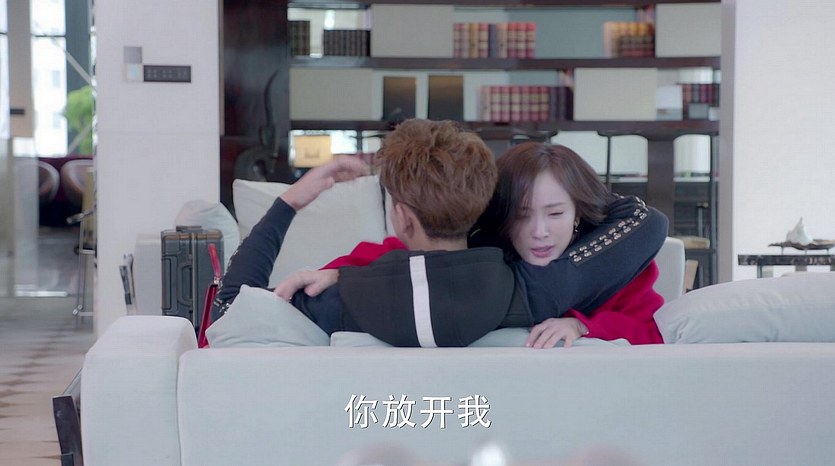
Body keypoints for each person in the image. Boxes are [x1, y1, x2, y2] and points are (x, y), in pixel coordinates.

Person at [283, 141, 668, 348]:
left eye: (555, 213)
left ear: (578, 214)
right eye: (522, 214)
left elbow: (652, 331)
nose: (539, 231)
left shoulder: (616, 261)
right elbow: (400, 255)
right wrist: (337, 273)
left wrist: (583, 325)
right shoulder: (483, 249)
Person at [213, 119, 530, 347]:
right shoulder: (531, 294)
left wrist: (289, 203)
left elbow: (228, 311)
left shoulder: (338, 301)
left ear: (403, 217)